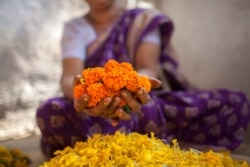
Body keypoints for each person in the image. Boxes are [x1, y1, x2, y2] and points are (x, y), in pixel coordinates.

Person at [36, 0, 250, 158]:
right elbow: (69, 78)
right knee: (49, 111)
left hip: (140, 105)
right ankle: (130, 142)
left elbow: (148, 67)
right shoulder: (75, 28)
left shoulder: (143, 20)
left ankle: (122, 142)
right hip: (90, 112)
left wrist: (135, 88)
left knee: (234, 102)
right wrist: (84, 97)